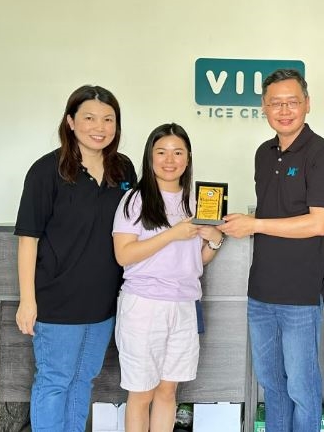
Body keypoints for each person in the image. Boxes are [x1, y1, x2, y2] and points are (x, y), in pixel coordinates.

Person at [218, 69, 324, 432]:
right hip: (260, 293)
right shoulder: (263, 153)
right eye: (275, 102)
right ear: (263, 107)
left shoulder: (322, 154)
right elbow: (276, 213)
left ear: (307, 104)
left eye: (292, 101)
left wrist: (254, 225)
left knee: (302, 389)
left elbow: (318, 223)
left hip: (301, 295)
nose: (284, 109)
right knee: (271, 386)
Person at [14, 85, 137, 432]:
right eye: (89, 117)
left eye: (108, 119)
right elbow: (28, 239)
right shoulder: (46, 171)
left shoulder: (123, 169)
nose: (100, 126)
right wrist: (27, 300)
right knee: (55, 381)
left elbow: (139, 223)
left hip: (102, 304)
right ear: (70, 121)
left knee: (84, 380)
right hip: (57, 302)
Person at [112, 123, 223, 432]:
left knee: (167, 391)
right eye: (161, 152)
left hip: (184, 305)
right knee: (142, 392)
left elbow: (196, 259)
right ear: (150, 158)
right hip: (144, 306)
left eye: (178, 152)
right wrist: (173, 234)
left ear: (188, 158)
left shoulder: (197, 201)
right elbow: (124, 255)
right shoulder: (135, 200)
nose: (170, 159)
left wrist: (215, 239)